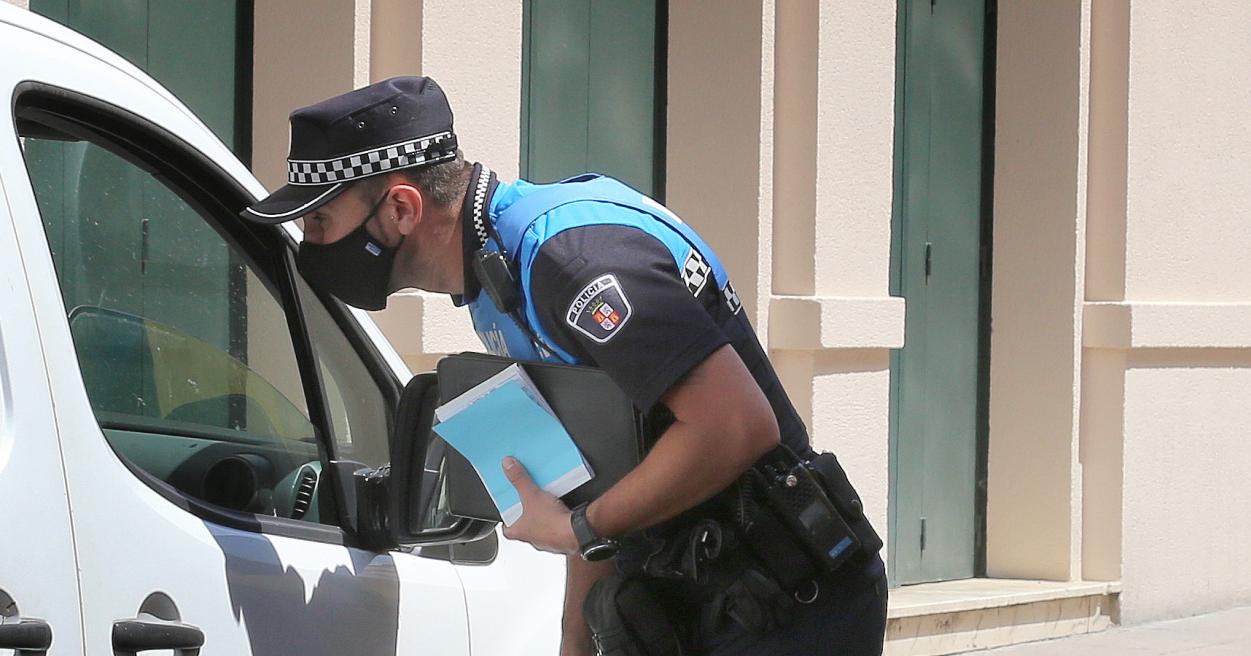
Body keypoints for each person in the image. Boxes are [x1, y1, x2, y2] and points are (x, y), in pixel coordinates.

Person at [241, 77, 887, 656]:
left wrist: (581, 527)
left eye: (321, 220)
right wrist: (574, 640)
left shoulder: (566, 261)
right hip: (705, 602)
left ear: (403, 209)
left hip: (790, 604)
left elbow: (736, 425)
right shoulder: (499, 278)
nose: (311, 243)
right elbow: (592, 474)